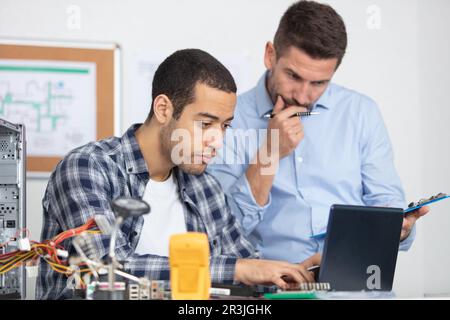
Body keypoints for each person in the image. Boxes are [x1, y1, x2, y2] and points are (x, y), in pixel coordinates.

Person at [36, 49, 320, 299]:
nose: (217, 141)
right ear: (163, 109)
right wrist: (239, 270)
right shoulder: (88, 167)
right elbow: (102, 272)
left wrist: (292, 277)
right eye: (206, 123)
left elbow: (248, 265)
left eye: (224, 126)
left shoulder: (205, 187)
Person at [208, 0, 429, 263]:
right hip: (273, 288)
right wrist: (270, 153)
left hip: (354, 287)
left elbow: (387, 203)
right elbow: (217, 233)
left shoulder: (361, 112)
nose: (302, 95)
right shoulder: (227, 119)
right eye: (293, 76)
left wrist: (398, 228)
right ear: (270, 55)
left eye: (319, 83)